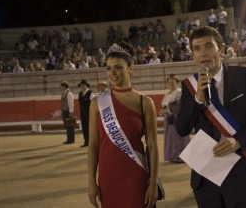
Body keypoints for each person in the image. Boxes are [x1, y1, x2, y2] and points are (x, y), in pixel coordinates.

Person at [176, 26, 246, 207]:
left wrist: (238, 141)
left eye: (208, 46)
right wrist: (198, 99)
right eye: (197, 48)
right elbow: (182, 129)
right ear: (193, 55)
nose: (203, 53)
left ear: (220, 49)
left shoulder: (244, 76)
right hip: (206, 174)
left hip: (239, 167)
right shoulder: (189, 86)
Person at [88, 43, 159, 208]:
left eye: (118, 67)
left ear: (130, 69)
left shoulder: (145, 103)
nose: (112, 72)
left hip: (136, 175)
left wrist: (153, 183)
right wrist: (92, 181)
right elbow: (93, 145)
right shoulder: (96, 103)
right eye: (109, 68)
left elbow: (153, 146)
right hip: (108, 176)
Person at [159, 73, 190, 163]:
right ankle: (172, 156)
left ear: (177, 82)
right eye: (170, 81)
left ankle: (181, 157)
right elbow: (164, 106)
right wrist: (163, 111)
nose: (171, 83)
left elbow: (179, 106)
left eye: (173, 81)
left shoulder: (179, 91)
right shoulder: (167, 94)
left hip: (177, 117)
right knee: (170, 138)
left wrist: (169, 111)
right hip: (169, 119)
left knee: (178, 137)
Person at [78, 80, 95, 147]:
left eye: (83, 85)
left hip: (89, 114)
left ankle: (92, 142)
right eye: (81, 85)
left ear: (86, 86)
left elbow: (94, 104)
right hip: (82, 114)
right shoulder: (80, 93)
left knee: (91, 129)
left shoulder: (91, 93)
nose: (82, 86)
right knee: (84, 128)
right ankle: (86, 142)